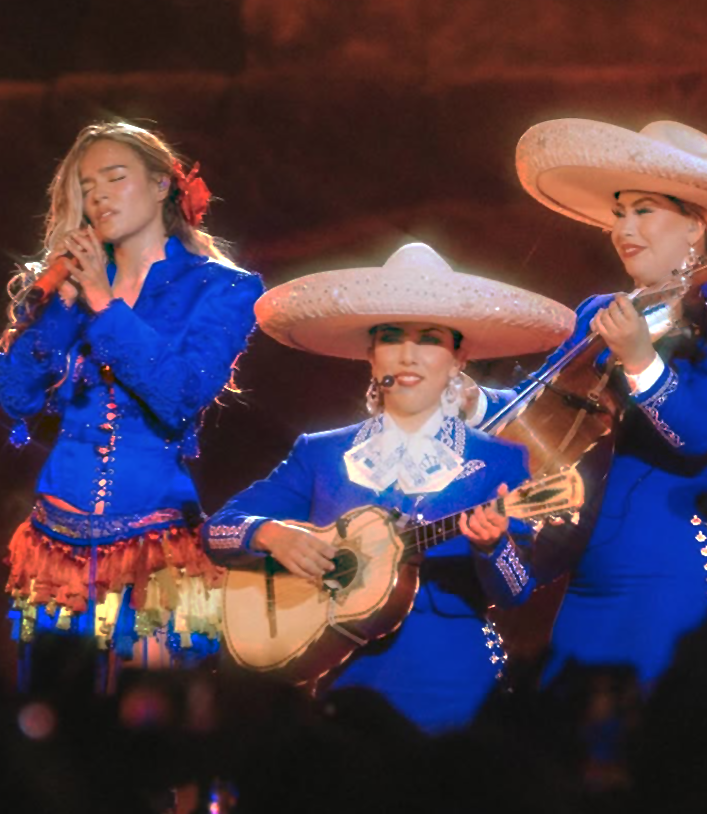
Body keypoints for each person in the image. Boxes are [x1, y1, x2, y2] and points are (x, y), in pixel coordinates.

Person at [201, 242, 575, 733]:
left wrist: (492, 545)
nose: (408, 354)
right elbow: (217, 532)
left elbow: (515, 593)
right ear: (370, 354)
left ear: (459, 354)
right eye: (392, 337)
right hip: (339, 688)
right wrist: (272, 535)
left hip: (456, 689)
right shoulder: (320, 453)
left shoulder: (499, 460)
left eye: (430, 338)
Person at [0, 121, 262, 687]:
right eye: (87, 186)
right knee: (56, 729)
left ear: (163, 186)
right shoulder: (74, 282)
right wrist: (60, 308)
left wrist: (104, 304)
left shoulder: (224, 289)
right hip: (52, 546)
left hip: (157, 548)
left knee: (151, 731)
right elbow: (12, 395)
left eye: (116, 177)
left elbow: (180, 394)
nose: (100, 195)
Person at [473, 118, 707, 690]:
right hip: (585, 564)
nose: (622, 227)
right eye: (618, 212)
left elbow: (698, 433)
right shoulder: (600, 310)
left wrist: (639, 358)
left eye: (644, 210)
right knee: (571, 742)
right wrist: (470, 398)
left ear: (697, 224)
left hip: (673, 569)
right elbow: (549, 412)